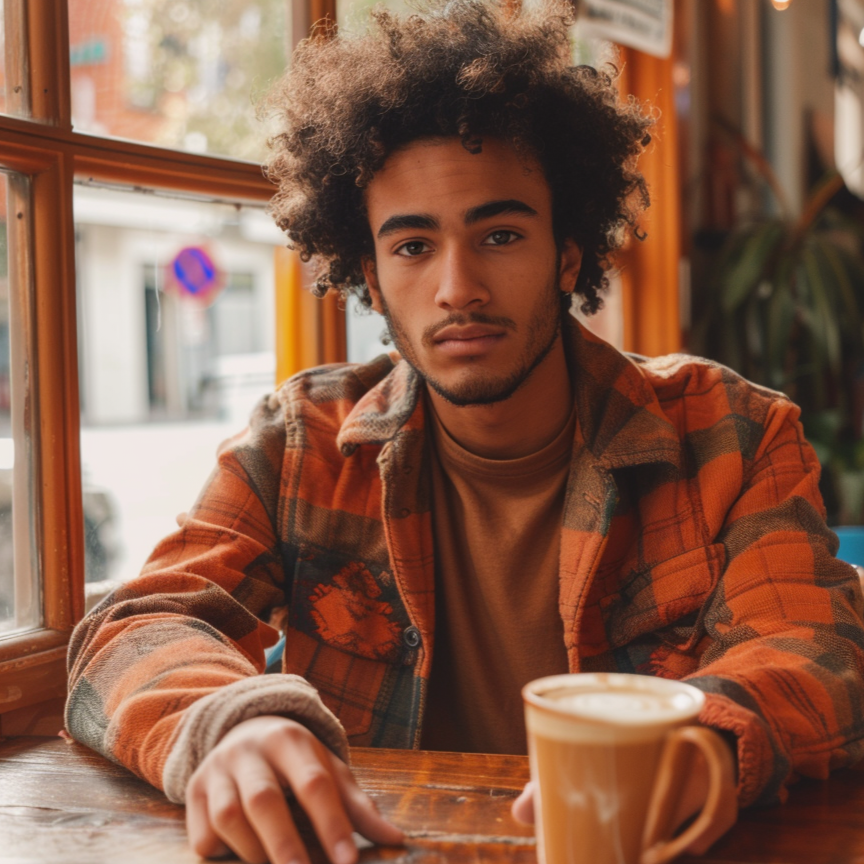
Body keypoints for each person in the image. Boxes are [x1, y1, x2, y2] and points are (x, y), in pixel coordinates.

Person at [65, 2, 864, 863]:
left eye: (501, 234)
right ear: (368, 272)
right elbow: (137, 626)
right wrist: (229, 724)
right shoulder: (301, 444)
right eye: (412, 247)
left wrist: (705, 738)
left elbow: (813, 644)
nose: (458, 286)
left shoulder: (733, 434)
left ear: (567, 252)